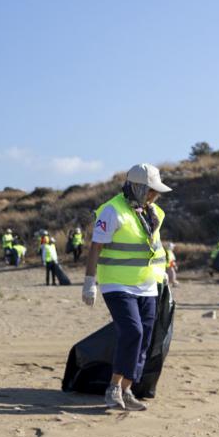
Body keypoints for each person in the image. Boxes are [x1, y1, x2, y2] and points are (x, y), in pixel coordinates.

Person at [82, 163, 171, 412]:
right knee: (133, 331)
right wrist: (90, 282)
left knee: (145, 338)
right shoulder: (112, 211)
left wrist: (165, 274)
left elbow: (156, 248)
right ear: (137, 187)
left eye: (156, 191)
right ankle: (113, 387)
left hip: (147, 285)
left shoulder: (154, 214)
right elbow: (95, 248)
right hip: (117, 283)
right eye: (151, 191)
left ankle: (126, 389)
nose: (155, 196)